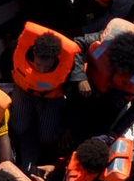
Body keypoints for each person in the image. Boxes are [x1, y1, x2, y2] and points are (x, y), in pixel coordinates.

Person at [71, 19, 134, 141]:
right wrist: (80, 77)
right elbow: (76, 45)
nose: (120, 73)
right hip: (87, 87)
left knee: (96, 135)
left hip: (111, 104)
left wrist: (116, 132)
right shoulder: (103, 39)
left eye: (126, 72)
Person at [7, 22, 82, 161]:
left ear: (56, 59)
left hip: (50, 98)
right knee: (17, 128)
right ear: (34, 52)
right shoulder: (19, 50)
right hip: (23, 92)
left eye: (46, 66)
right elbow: (6, 61)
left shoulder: (67, 66)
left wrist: (67, 125)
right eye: (38, 64)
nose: (41, 69)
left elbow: (73, 97)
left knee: (48, 138)